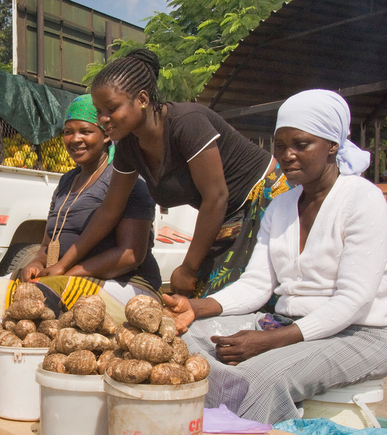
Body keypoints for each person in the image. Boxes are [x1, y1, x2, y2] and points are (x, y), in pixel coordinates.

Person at [163, 89, 387, 424]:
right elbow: (257, 284)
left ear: (332, 146)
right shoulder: (282, 203)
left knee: (257, 378)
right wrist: (195, 308)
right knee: (179, 340)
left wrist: (269, 341)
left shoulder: (362, 200)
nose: (287, 155)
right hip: (286, 324)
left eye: (301, 144)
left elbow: (352, 301)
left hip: (360, 334)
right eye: (280, 146)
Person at [41, 49, 289, 298]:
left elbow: (216, 197)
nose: (104, 118)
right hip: (226, 215)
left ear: (142, 99)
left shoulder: (187, 123)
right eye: (99, 110)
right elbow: (110, 209)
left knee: (245, 298)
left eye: (112, 108)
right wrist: (63, 266)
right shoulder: (128, 145)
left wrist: (189, 268)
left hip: (265, 199)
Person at [15, 94, 160, 314]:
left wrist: (68, 273)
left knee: (38, 300)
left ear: (105, 136)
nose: (75, 139)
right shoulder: (66, 181)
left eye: (85, 131)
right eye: (68, 132)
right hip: (68, 278)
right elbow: (48, 244)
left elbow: (131, 255)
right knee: (6, 289)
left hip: (127, 285)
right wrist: (36, 263)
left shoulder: (126, 179)